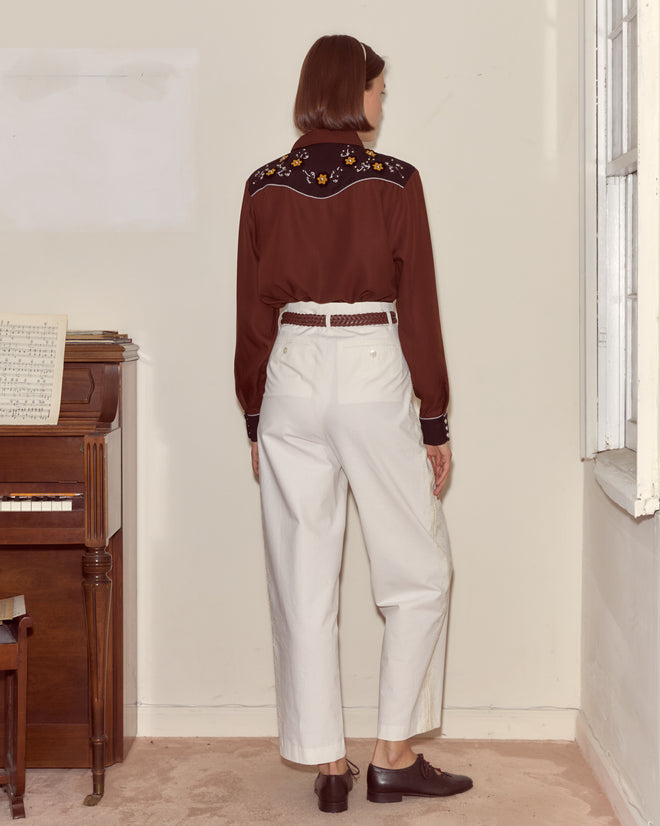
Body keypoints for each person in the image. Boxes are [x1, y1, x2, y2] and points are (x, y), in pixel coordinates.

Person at [234, 34, 472, 814]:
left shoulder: (263, 186)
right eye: (378, 89)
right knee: (416, 569)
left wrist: (255, 415)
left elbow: (252, 316)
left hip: (293, 373)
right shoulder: (394, 182)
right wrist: (433, 420)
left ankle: (327, 763)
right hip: (369, 360)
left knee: (303, 577)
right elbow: (424, 310)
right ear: (354, 92)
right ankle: (393, 752)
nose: (382, 102)